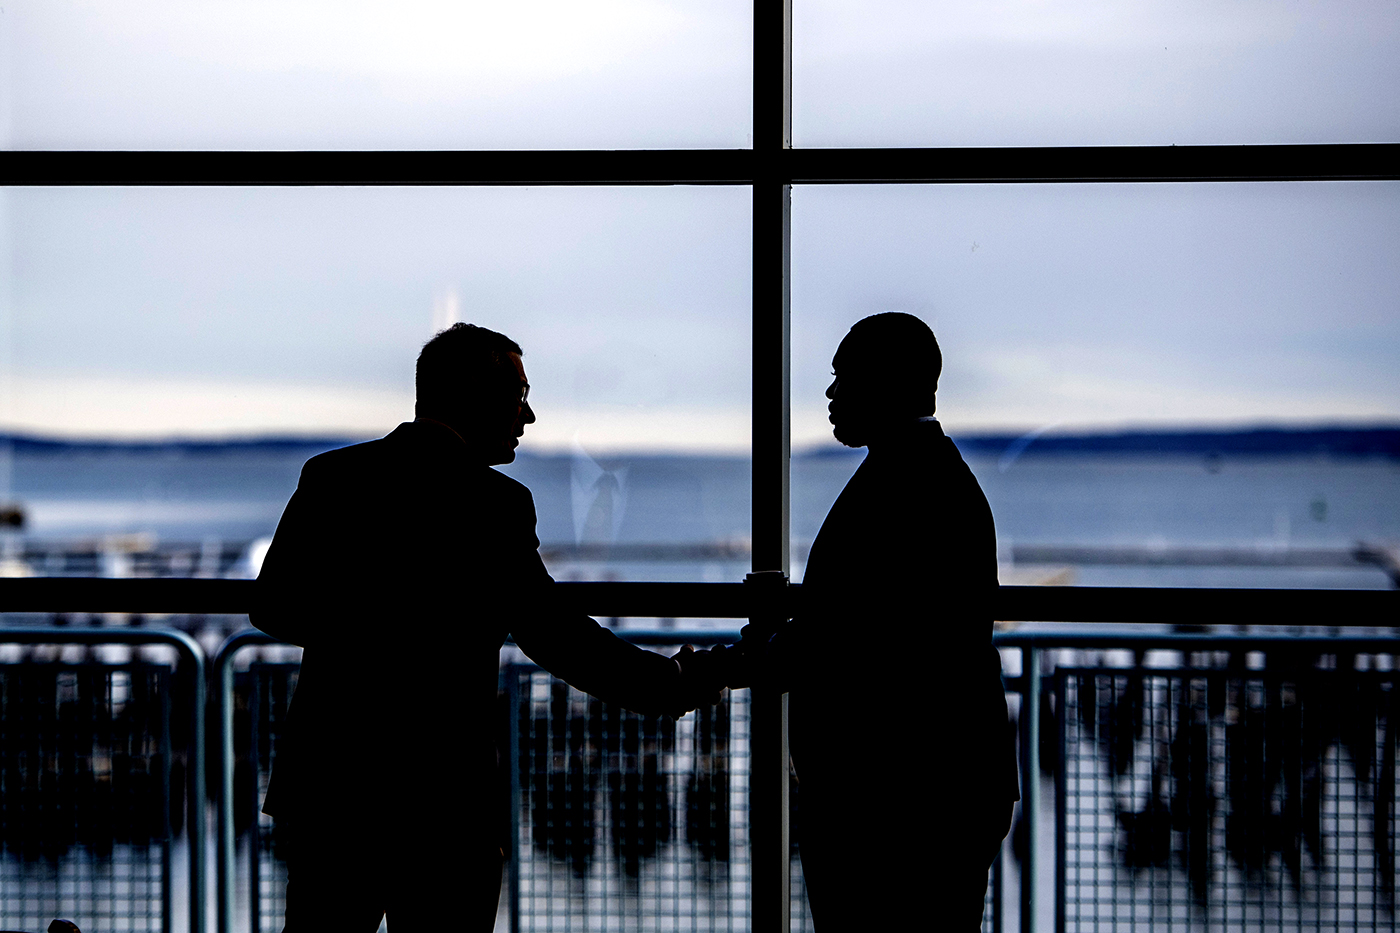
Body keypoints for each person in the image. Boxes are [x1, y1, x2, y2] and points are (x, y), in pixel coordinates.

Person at [251, 323, 708, 932]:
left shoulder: (332, 475)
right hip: (443, 794)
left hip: (333, 781)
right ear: (470, 389)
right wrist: (672, 681)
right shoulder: (494, 502)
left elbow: (274, 606)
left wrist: (370, 625)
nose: (530, 415)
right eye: (518, 395)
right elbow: (555, 634)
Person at [715, 312, 1019, 929]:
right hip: (936, 784)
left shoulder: (904, 485)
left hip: (899, 797)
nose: (829, 394)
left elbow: (853, 639)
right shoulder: (926, 475)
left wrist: (750, 657)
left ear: (887, 383)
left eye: (842, 377)